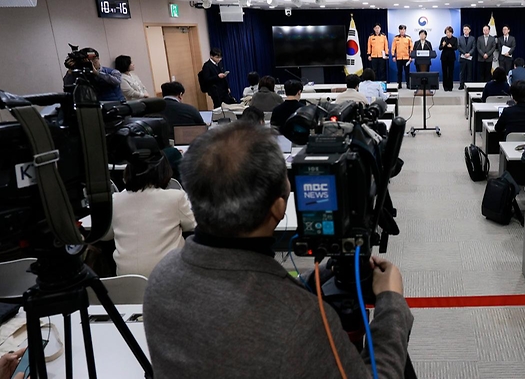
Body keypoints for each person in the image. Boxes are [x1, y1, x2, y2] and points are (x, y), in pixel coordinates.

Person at [144, 123, 414, 378]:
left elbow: (232, 310)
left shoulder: (161, 277)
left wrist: (307, 282)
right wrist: (391, 304)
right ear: (278, 208)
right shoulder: (303, 320)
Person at [109, 155, 195, 278]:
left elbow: (107, 235)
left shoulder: (115, 199)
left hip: (126, 280)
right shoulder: (175, 197)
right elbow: (192, 225)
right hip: (169, 276)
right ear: (164, 172)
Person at [438, 26, 458, 91]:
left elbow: (456, 48)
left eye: (449, 32)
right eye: (447, 32)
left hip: (451, 58)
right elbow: (440, 48)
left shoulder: (454, 39)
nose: (448, 33)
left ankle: (450, 86)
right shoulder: (443, 39)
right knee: (445, 72)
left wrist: (451, 47)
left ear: (452, 33)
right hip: (444, 58)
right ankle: (445, 86)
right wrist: (443, 45)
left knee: (450, 72)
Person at [457, 25, 476, 89]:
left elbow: (473, 47)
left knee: (469, 72)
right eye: (464, 29)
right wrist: (464, 53)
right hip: (462, 57)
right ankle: (461, 85)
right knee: (462, 72)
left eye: (467, 29)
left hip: (470, 57)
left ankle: (469, 85)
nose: (465, 31)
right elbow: (458, 47)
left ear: (470, 30)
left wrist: (469, 53)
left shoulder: (472, 38)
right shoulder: (459, 38)